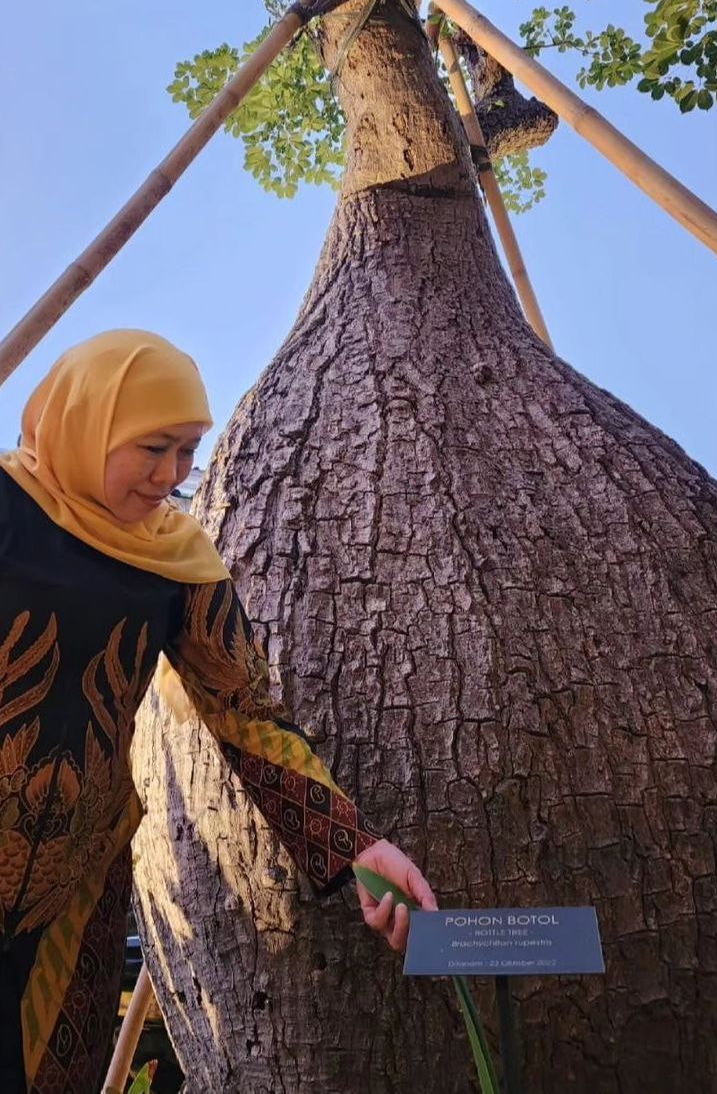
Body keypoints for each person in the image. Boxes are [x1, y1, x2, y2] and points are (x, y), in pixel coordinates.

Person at [0, 330, 436, 1093]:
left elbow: (246, 712)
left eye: (187, 451)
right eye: (154, 447)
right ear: (89, 419)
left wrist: (354, 845)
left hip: (69, 898)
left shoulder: (176, 557)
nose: (172, 475)